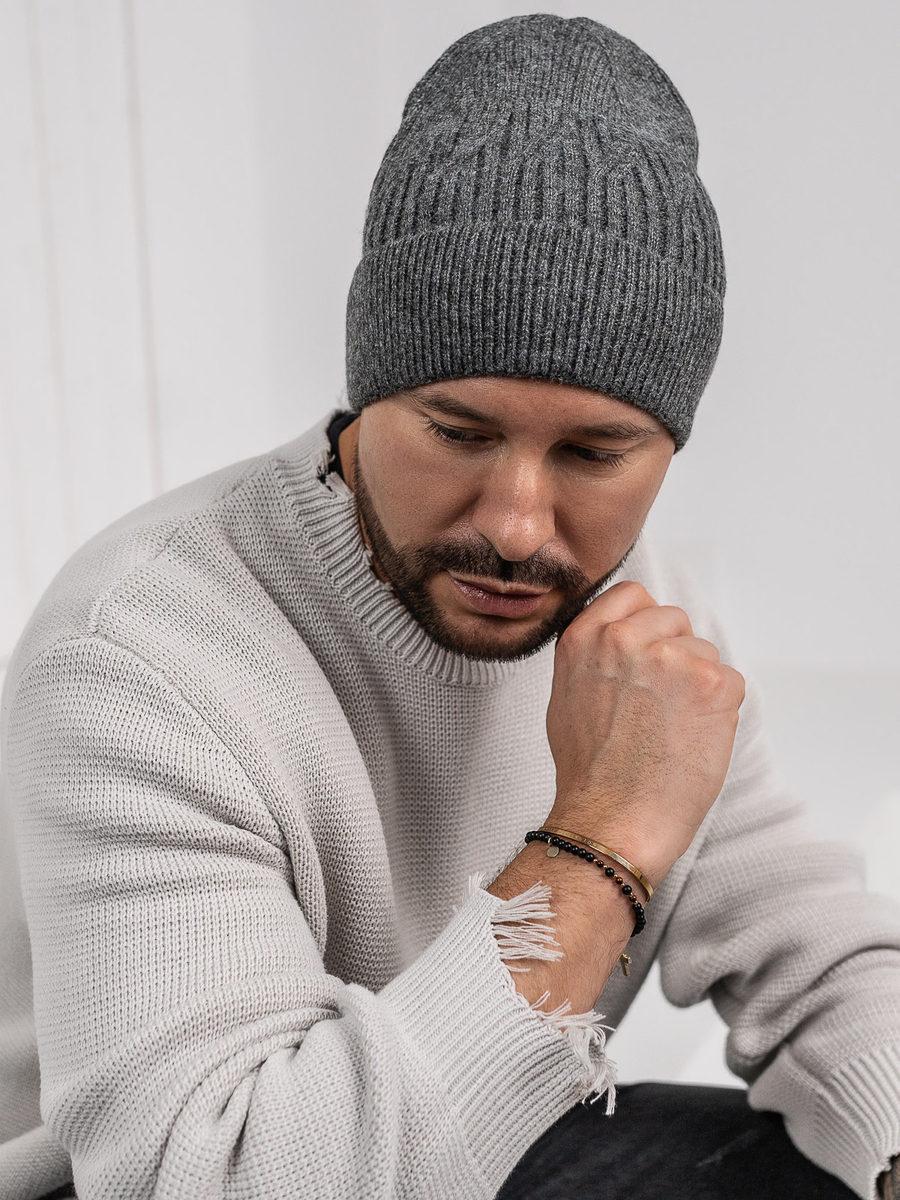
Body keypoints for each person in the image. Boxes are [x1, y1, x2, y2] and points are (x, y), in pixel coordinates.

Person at [0, 14, 898, 1200]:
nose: (518, 526)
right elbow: (217, 1177)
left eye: (593, 453)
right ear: (366, 396)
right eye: (459, 433)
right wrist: (599, 843)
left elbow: (817, 950)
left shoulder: (637, 615)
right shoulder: (141, 653)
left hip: (458, 1146)